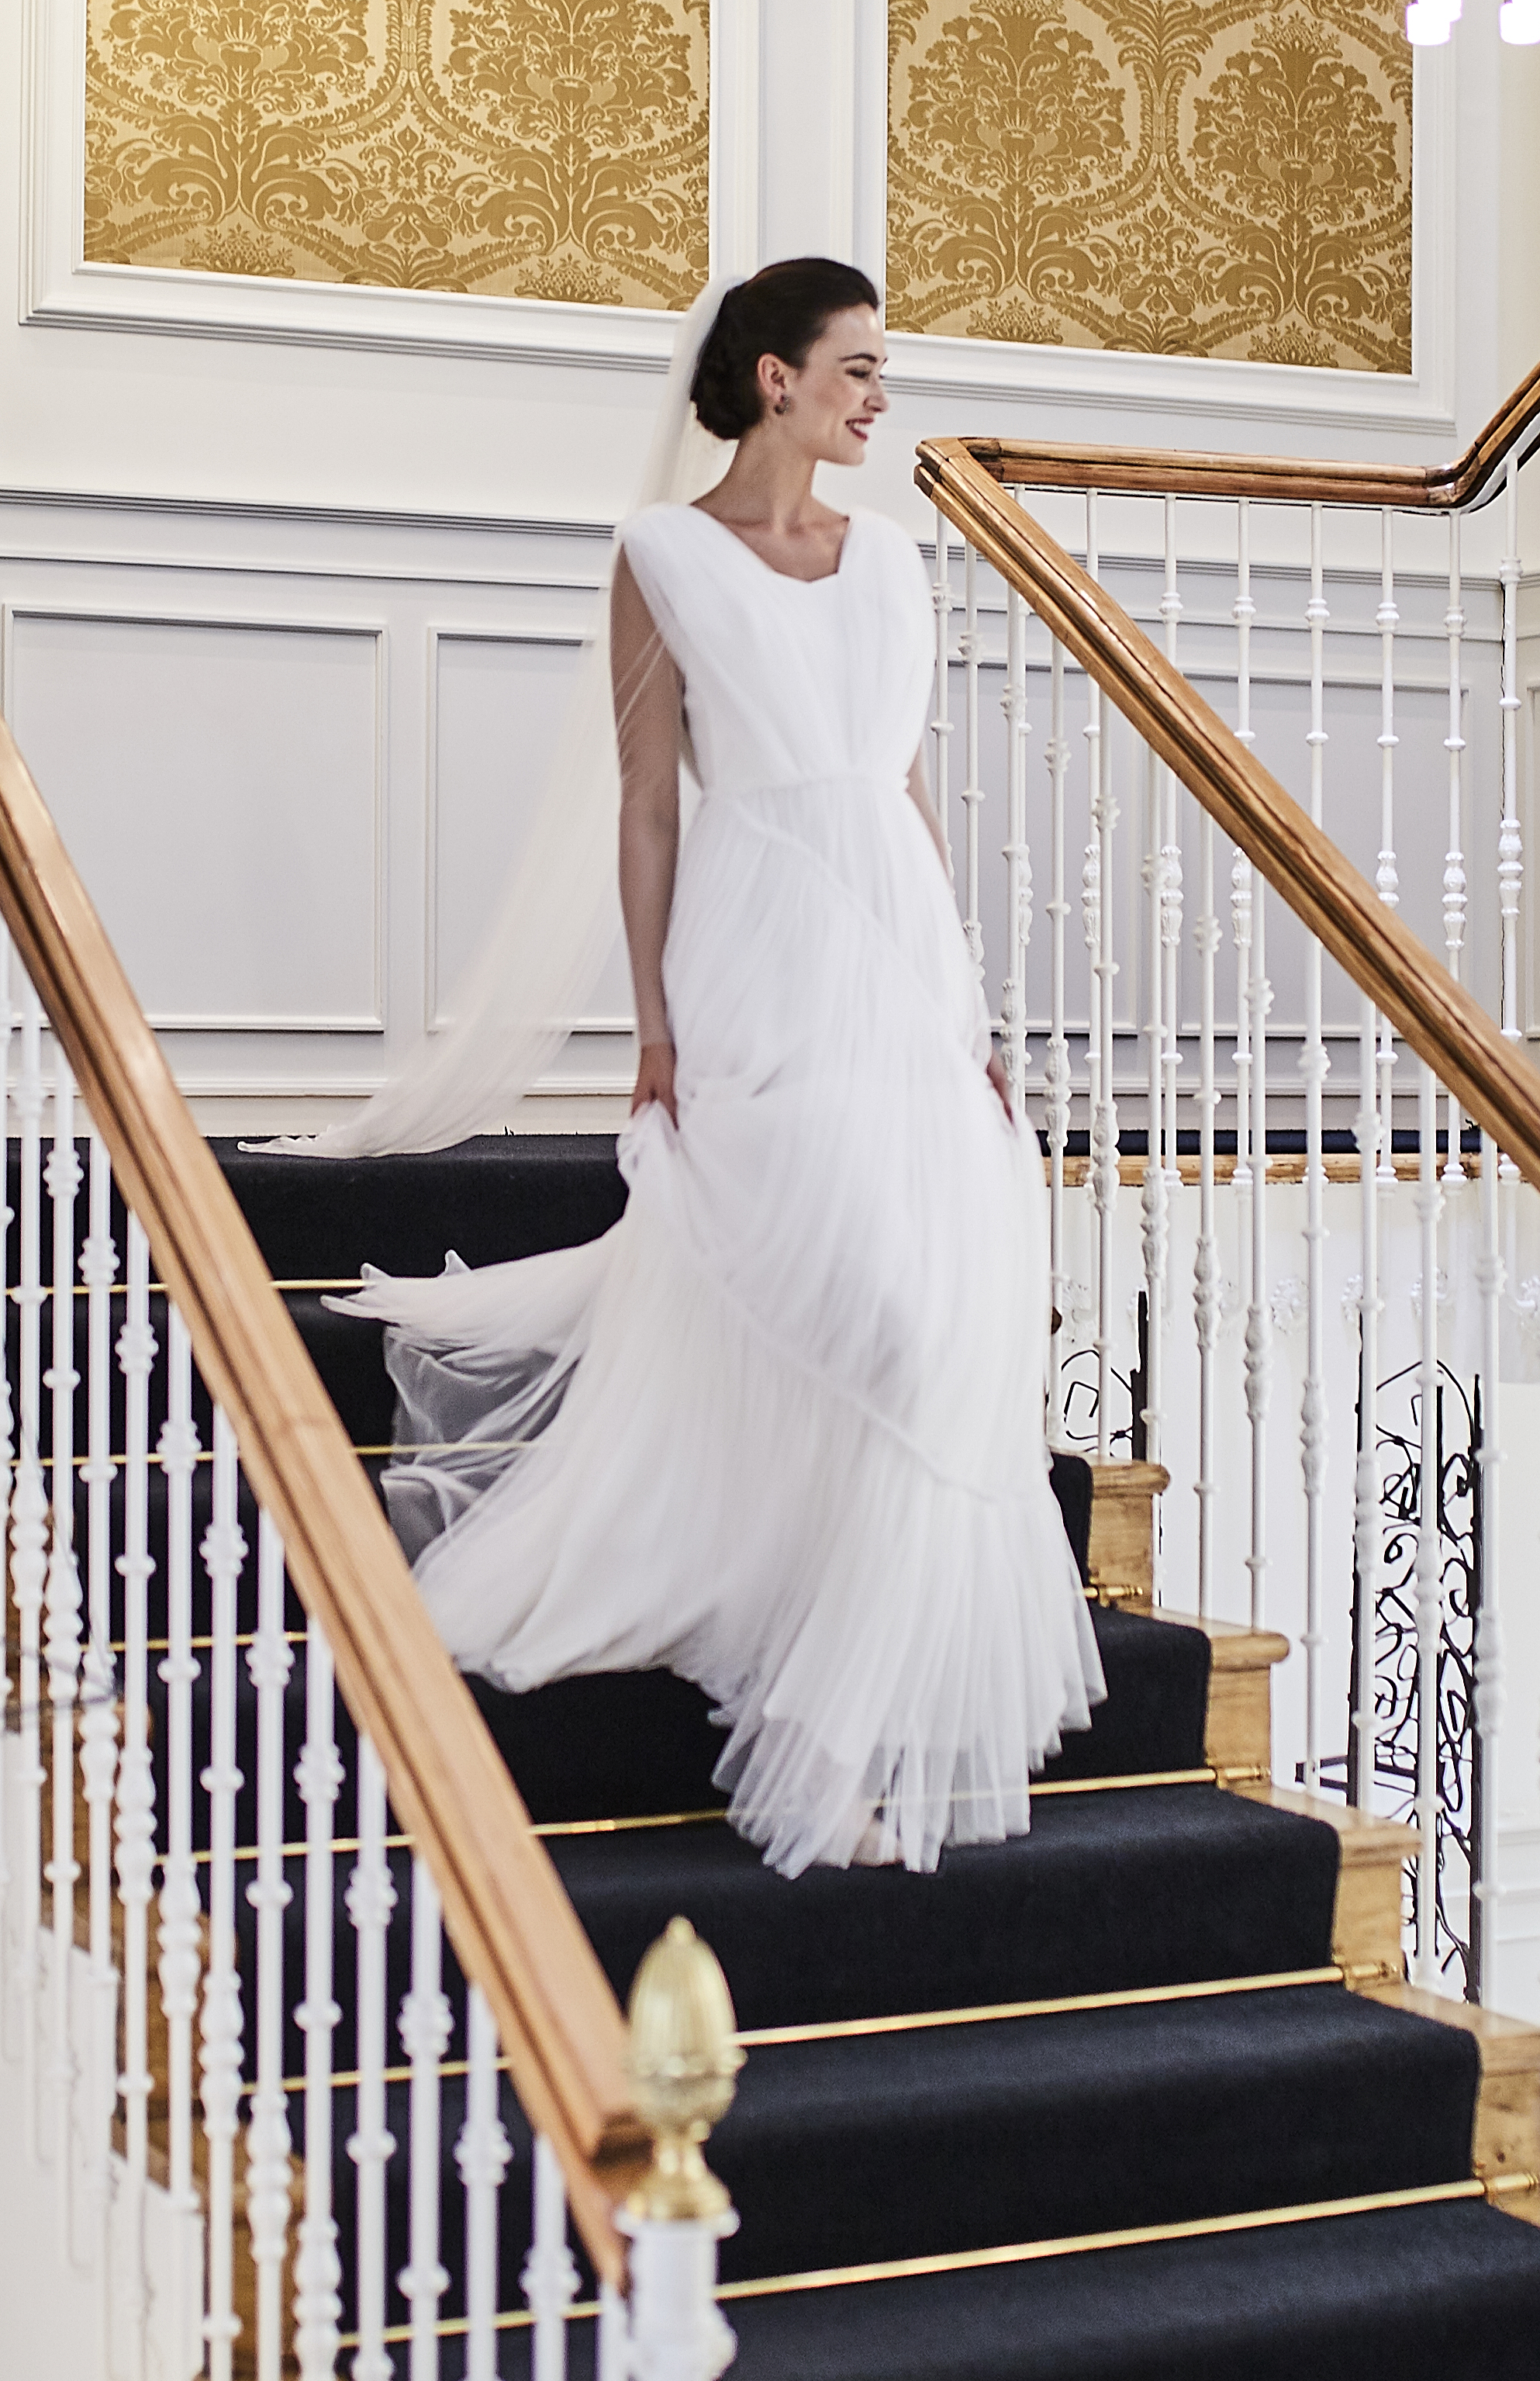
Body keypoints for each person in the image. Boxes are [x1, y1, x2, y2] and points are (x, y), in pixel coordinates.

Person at [330, 261, 1106, 1875]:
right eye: (860, 368)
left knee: (944, 1324)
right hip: (752, 955)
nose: (881, 397)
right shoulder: (664, 555)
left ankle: (826, 1718)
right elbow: (646, 802)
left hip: (893, 957)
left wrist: (965, 1010)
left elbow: (901, 790)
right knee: (864, 1312)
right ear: (773, 379)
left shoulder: (891, 563)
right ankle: (802, 1713)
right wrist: (656, 1026)